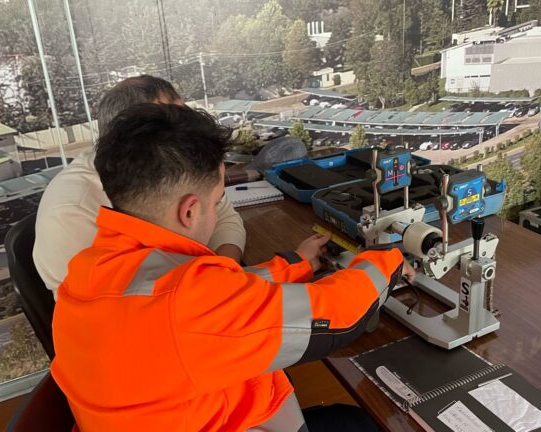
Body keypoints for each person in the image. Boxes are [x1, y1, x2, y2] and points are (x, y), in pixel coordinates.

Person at [51, 103, 414, 431]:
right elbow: (339, 314)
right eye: (217, 201)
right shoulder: (185, 304)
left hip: (198, 412)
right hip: (240, 421)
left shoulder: (90, 271)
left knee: (349, 420)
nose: (216, 210)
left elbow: (215, 297)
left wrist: (294, 264)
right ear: (189, 211)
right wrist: (390, 257)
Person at [33, 75, 245, 297]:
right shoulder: (69, 212)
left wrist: (222, 275)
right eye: (173, 124)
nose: (191, 134)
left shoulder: (182, 164)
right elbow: (105, 309)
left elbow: (226, 218)